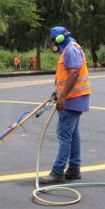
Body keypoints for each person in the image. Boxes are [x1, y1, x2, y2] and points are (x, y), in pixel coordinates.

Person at [38, 26, 92, 184]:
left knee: (64, 135)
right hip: (75, 98)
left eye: (53, 40)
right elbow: (67, 75)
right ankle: (74, 169)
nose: (52, 43)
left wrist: (62, 96)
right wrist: (58, 92)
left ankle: (57, 172)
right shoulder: (71, 48)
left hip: (72, 99)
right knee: (73, 135)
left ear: (59, 39)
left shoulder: (70, 50)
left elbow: (74, 73)